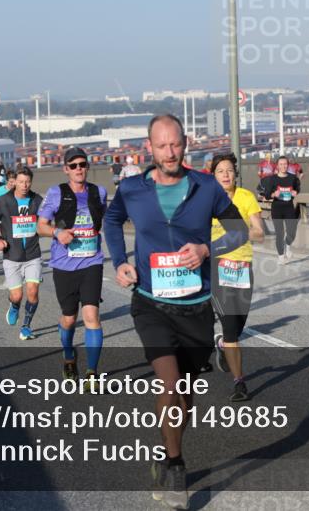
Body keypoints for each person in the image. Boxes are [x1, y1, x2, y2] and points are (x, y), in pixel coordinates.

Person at [104, 114, 248, 510]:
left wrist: (206, 250)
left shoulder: (204, 186)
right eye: (162, 145)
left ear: (186, 143)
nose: (170, 152)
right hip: (150, 303)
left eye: (176, 144)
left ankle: (168, 450)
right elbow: (112, 220)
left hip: (196, 307)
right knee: (168, 384)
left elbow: (239, 231)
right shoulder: (132, 189)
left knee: (184, 394)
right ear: (148, 147)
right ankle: (176, 464)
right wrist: (119, 261)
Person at [37, 148, 109, 384]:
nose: (79, 169)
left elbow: (109, 219)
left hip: (92, 262)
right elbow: (41, 226)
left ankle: (92, 373)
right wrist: (57, 232)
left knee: (92, 316)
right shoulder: (56, 193)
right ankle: (69, 355)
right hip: (64, 265)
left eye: (83, 164)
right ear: (66, 169)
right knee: (69, 318)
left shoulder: (99, 192)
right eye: (74, 165)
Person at [208, 153, 265, 402]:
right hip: (217, 266)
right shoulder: (206, 201)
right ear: (213, 175)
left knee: (238, 326)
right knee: (231, 327)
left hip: (243, 266)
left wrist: (241, 231)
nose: (226, 175)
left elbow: (260, 233)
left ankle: (221, 344)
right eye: (220, 171)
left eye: (229, 170)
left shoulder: (246, 197)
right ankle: (239, 382)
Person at [0, 167, 44, 341]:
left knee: (33, 292)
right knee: (17, 295)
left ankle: (26, 326)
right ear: (15, 182)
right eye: (21, 181)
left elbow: (49, 220)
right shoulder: (4, 201)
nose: (24, 185)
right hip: (12, 255)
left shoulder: (37, 200)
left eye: (27, 181)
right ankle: (14, 305)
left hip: (33, 254)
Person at [261, 156, 301, 264]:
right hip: (277, 208)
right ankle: (281, 256)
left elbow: (298, 188)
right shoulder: (273, 179)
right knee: (280, 233)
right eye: (281, 164)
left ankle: (287, 246)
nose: (283, 166)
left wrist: (295, 192)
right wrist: (274, 194)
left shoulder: (293, 178)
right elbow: (267, 195)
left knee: (292, 232)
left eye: (285, 164)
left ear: (288, 165)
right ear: (277, 166)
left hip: (289, 207)